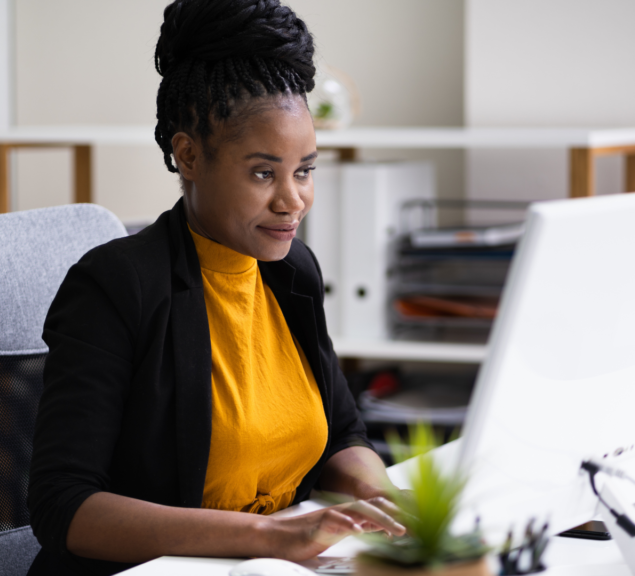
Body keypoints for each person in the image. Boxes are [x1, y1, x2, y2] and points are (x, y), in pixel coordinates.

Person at [26, 1, 405, 574]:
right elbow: (63, 507)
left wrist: (387, 504)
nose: (292, 200)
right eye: (263, 173)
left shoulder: (292, 271)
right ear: (189, 156)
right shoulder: (115, 286)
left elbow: (343, 432)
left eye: (304, 170)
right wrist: (268, 537)